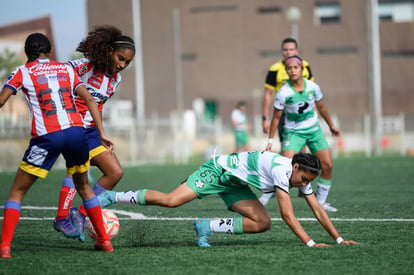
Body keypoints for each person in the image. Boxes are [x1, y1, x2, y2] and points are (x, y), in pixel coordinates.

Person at [0, 33, 113, 258]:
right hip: (76, 132)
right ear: (50, 51)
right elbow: (90, 100)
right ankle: (104, 241)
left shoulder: (23, 72)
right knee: (85, 188)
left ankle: (4, 247)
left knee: (17, 192)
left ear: (26, 53)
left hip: (48, 136)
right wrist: (101, 133)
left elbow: (2, 100)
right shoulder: (65, 69)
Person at [97, 151, 359, 248]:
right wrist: (311, 243)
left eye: (309, 181)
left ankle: (205, 227)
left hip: (235, 183)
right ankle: (113, 196)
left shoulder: (296, 175)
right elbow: (288, 216)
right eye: (304, 178)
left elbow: (317, 209)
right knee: (170, 201)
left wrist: (338, 239)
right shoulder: (283, 171)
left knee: (262, 222)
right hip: (217, 171)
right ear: (296, 167)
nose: (305, 184)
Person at [52, 26, 135, 242]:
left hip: (91, 131)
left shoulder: (115, 80)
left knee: (115, 172)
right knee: (79, 169)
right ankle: (61, 217)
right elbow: (56, 74)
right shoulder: (83, 67)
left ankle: (79, 214)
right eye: (120, 58)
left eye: (127, 62)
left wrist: (100, 132)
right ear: (108, 50)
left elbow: (98, 105)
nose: (122, 65)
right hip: (71, 126)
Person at [263, 55, 340, 212]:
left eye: (295, 67)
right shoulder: (283, 92)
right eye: (289, 68)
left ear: (302, 69)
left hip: (314, 131)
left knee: (327, 165)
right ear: (287, 71)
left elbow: (322, 107)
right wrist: (270, 141)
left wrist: (331, 126)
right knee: (283, 166)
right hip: (293, 133)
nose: (292, 70)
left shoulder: (313, 87)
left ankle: (321, 202)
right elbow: (276, 118)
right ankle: (265, 197)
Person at [261, 37, 314, 145]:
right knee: (286, 146)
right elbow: (268, 94)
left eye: (291, 49)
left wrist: (315, 110)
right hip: (285, 113)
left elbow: (312, 90)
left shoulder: (305, 66)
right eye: (285, 50)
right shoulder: (274, 69)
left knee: (302, 149)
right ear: (282, 51)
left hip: (304, 112)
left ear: (296, 51)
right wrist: (265, 117)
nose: (288, 52)